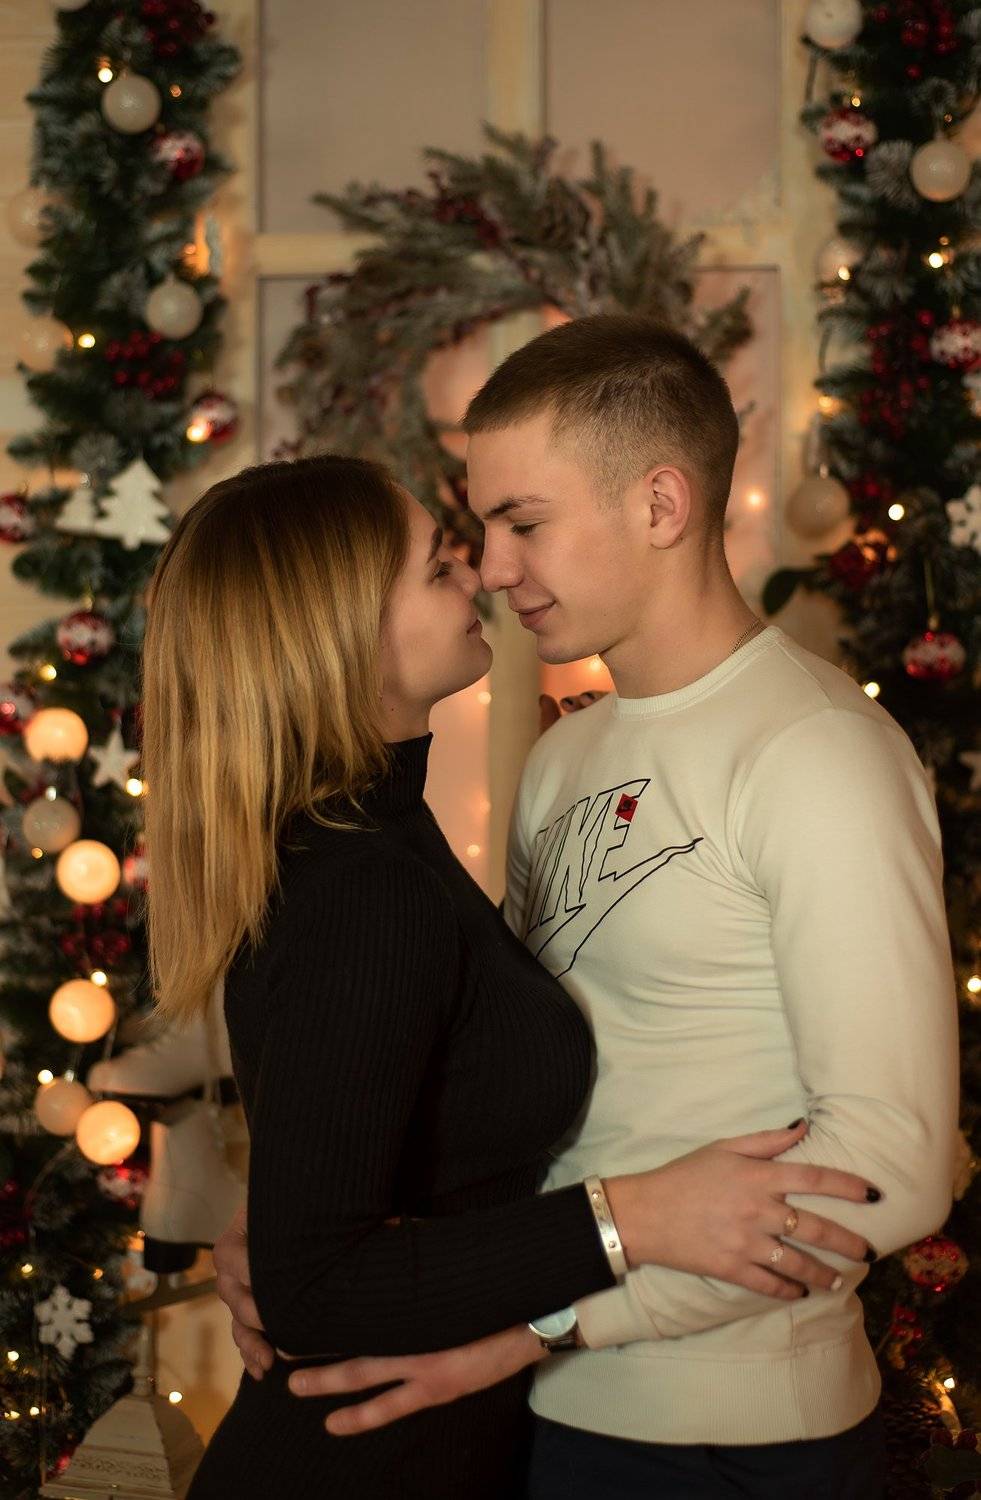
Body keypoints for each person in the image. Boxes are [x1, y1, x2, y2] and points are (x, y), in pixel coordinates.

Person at [217, 318, 960, 1499]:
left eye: (525, 522)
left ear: (661, 505)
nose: (493, 568)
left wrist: (545, 1325)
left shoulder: (819, 754)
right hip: (533, 1421)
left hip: (731, 1439)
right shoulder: (563, 759)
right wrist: (301, 1231)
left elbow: (897, 1164)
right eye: (480, 529)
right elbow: (493, 1079)